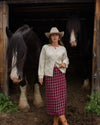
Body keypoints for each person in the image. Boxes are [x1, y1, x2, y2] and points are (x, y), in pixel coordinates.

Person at [38, 27, 69, 125]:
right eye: (53, 35)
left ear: (59, 37)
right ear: (50, 37)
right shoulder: (45, 48)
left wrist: (64, 63)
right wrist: (40, 75)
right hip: (50, 76)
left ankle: (55, 122)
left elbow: (66, 59)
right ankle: (64, 121)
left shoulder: (63, 48)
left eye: (56, 35)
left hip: (60, 76)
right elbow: (41, 61)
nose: (55, 37)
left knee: (60, 99)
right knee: (54, 99)